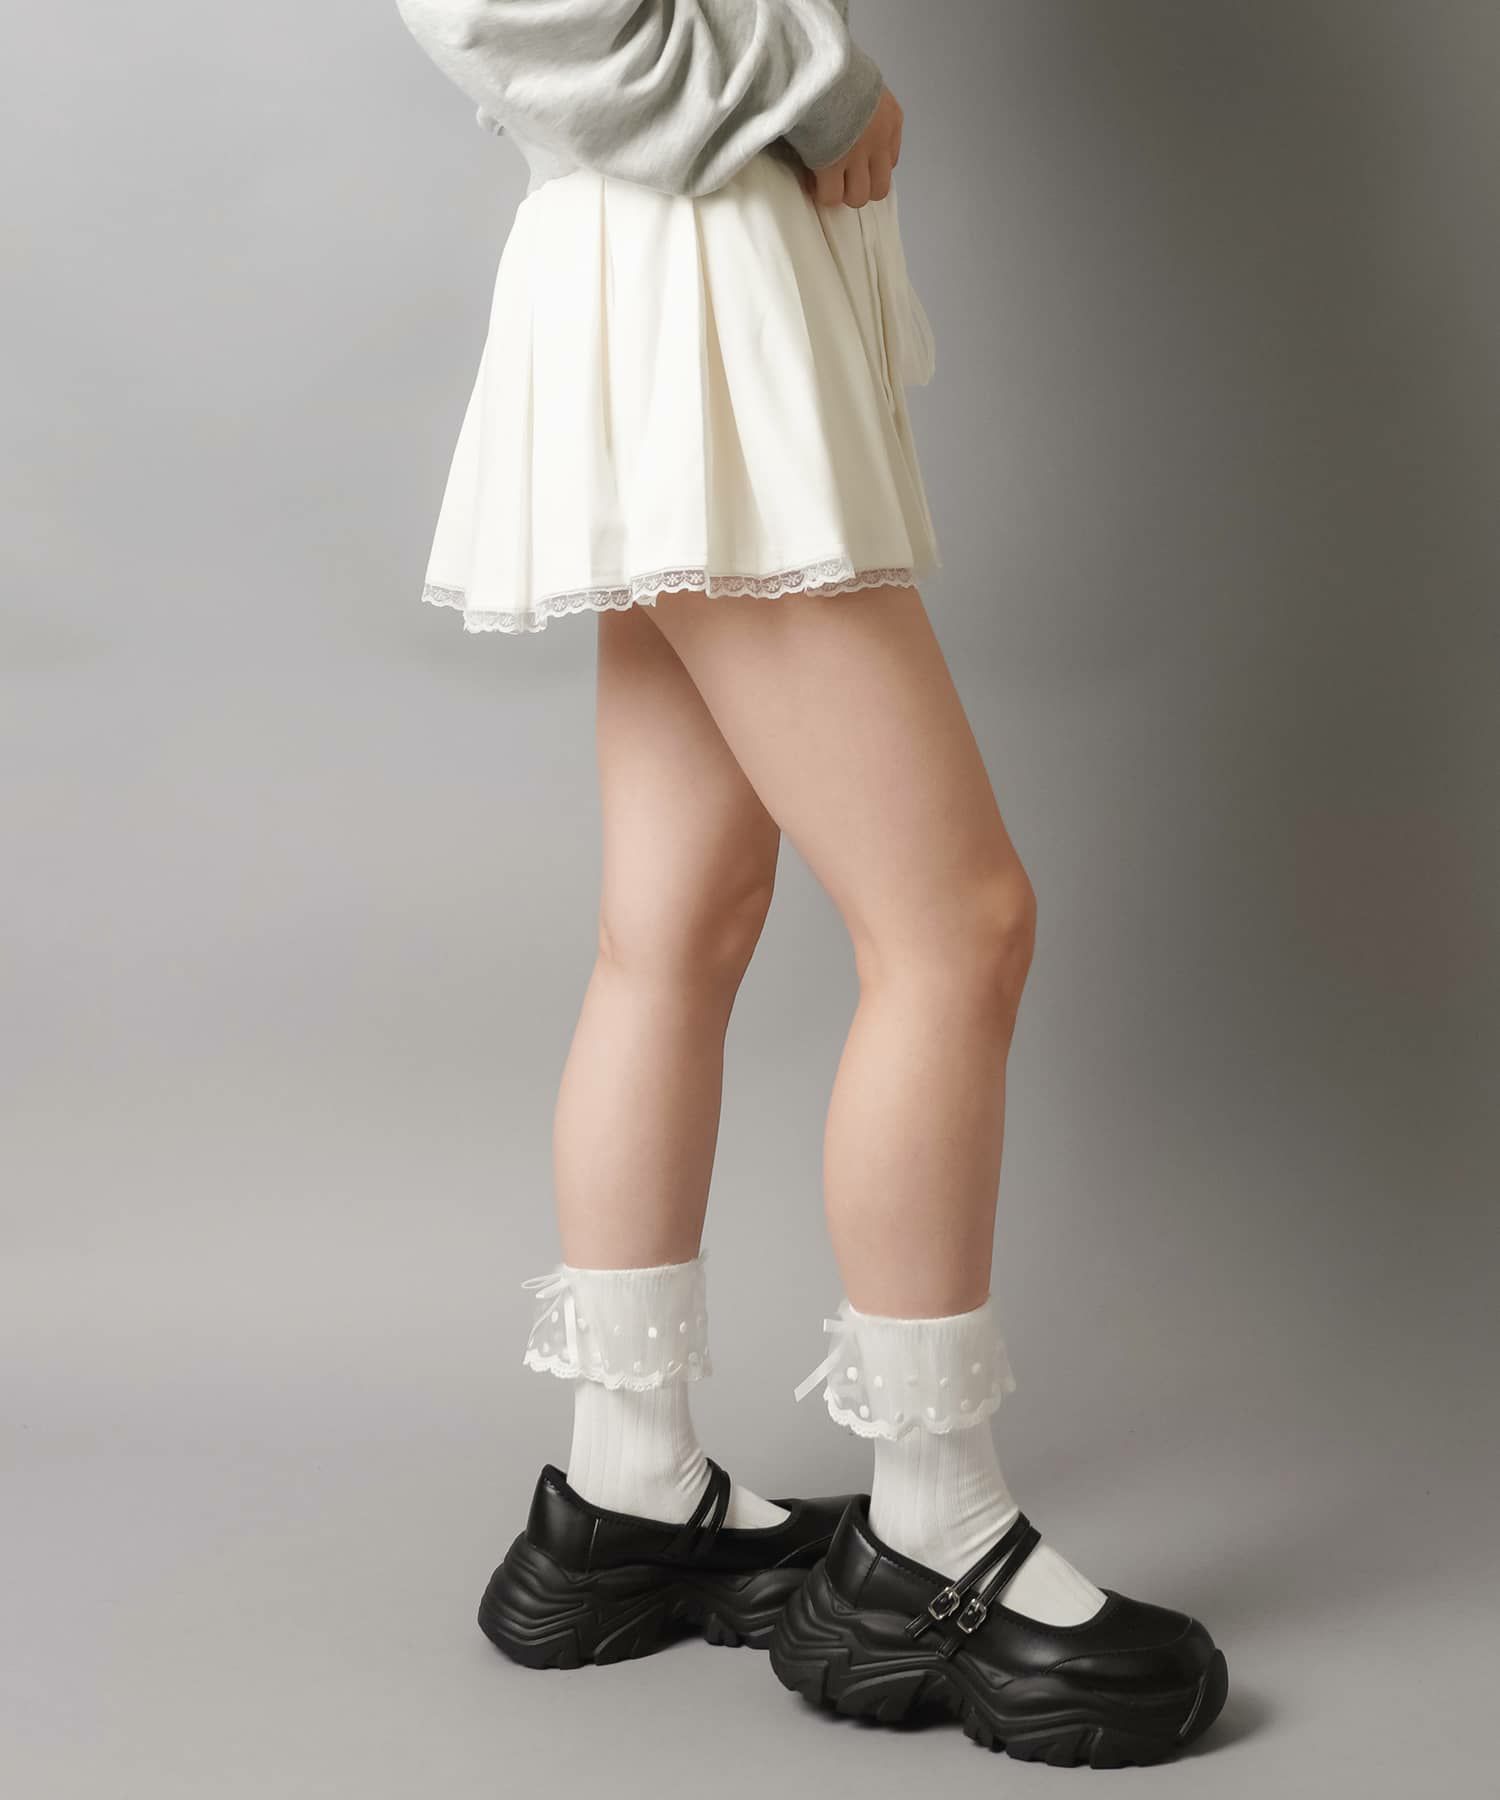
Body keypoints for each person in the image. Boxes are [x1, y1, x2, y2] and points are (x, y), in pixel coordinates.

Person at [393, 0, 1226, 1768]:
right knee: (955, 929)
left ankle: (628, 1496)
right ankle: (934, 1538)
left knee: (672, 930)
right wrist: (819, 85)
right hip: (690, 276)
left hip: (676, 264)